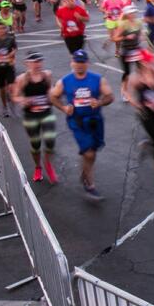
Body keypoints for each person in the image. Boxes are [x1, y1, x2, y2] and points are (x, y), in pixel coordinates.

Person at [49, 49, 114, 200]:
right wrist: (64, 107)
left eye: (82, 62)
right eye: (76, 62)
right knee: (89, 153)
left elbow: (110, 96)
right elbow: (53, 97)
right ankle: (89, 185)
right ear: (72, 63)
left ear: (87, 63)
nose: (79, 65)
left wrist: (99, 102)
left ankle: (85, 172)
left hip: (95, 120)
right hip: (77, 122)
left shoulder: (98, 79)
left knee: (93, 151)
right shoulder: (64, 81)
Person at [123, 49, 154, 184]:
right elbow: (127, 94)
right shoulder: (135, 78)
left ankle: (147, 143)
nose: (149, 63)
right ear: (140, 62)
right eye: (146, 61)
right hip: (144, 113)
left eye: (150, 60)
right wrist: (138, 105)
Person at [11, 52, 59, 183]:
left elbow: (51, 90)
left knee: (50, 141)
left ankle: (48, 165)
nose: (37, 64)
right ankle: (38, 167)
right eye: (34, 62)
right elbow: (15, 96)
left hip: (46, 113)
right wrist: (24, 99)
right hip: (30, 116)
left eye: (39, 61)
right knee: (35, 144)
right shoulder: (22, 79)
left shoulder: (47, 75)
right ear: (27, 63)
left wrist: (52, 94)